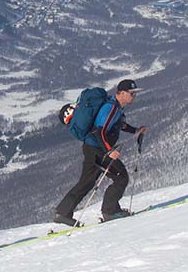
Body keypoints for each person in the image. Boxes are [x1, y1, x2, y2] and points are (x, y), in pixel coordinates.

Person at [54, 79, 147, 226]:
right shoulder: (111, 108)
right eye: (131, 93)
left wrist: (134, 130)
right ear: (121, 93)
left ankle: (63, 213)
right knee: (121, 176)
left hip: (93, 148)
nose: (133, 96)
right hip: (98, 149)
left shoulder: (115, 107)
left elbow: (118, 124)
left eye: (134, 93)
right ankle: (110, 211)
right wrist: (109, 151)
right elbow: (99, 131)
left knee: (87, 182)